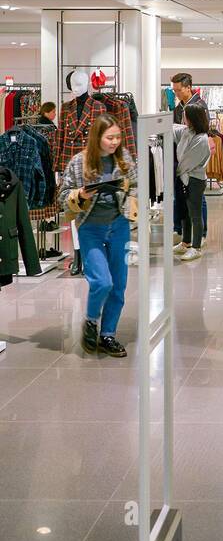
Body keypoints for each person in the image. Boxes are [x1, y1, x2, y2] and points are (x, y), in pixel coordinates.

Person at [59, 114, 137, 358]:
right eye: (109, 137)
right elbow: (62, 196)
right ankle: (91, 321)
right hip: (90, 228)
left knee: (119, 286)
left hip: (119, 226)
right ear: (97, 138)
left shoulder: (123, 158)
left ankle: (108, 335)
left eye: (118, 137)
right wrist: (80, 195)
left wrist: (128, 194)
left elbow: (136, 185)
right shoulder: (79, 162)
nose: (115, 142)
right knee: (102, 282)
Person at [170, 72, 209, 244]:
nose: (176, 94)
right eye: (174, 91)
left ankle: (200, 236)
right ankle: (185, 236)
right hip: (182, 158)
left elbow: (201, 133)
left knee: (197, 202)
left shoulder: (198, 106)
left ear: (188, 87)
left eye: (178, 90)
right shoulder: (179, 108)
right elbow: (175, 131)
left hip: (193, 162)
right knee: (185, 202)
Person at [173, 104, 211, 261]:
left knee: (194, 213)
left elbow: (186, 162)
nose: (183, 117)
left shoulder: (201, 139)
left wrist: (173, 172)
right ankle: (186, 242)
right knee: (185, 212)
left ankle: (196, 247)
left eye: (185, 115)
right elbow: (173, 128)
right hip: (185, 177)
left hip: (194, 179)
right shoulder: (187, 131)